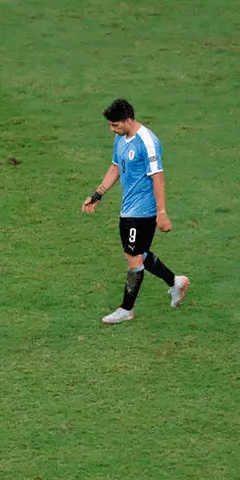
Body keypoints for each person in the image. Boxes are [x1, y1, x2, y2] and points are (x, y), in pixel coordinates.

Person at [81, 98, 189, 325]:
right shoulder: (120, 138)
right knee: (138, 253)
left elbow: (158, 177)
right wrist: (98, 194)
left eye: (115, 125)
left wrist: (161, 212)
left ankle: (126, 309)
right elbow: (115, 167)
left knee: (134, 258)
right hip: (128, 208)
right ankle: (176, 282)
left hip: (143, 211)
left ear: (129, 120)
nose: (112, 129)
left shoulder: (147, 142)